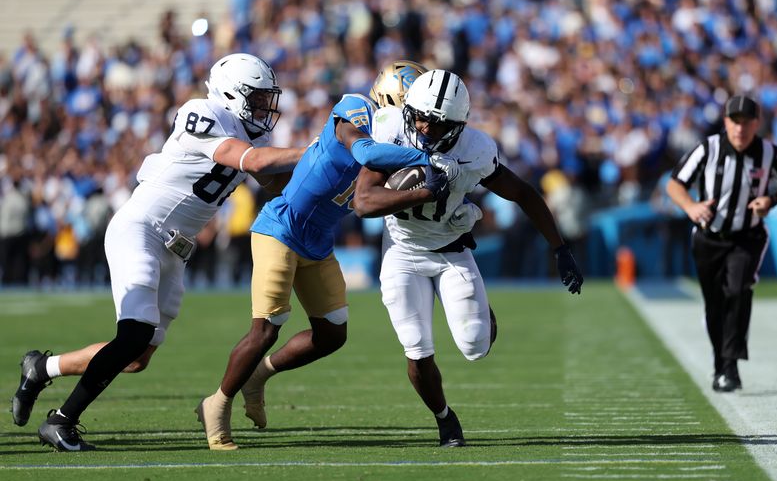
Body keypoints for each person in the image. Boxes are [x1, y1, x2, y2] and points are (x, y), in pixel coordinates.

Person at [14, 53, 307, 451]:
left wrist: (332, 169)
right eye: (255, 98)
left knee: (136, 356)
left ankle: (41, 368)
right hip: (142, 228)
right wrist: (317, 149)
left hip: (175, 250)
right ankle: (63, 421)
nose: (262, 108)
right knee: (133, 333)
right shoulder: (200, 111)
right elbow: (249, 159)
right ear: (230, 94)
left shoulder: (255, 136)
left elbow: (271, 180)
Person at [196, 63, 461, 450]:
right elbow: (365, 150)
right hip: (281, 228)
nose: (419, 122)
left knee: (333, 333)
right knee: (267, 328)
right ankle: (216, 406)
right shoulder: (355, 108)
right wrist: (424, 164)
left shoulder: (403, 143)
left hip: (318, 240)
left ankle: (259, 376)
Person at [353, 69, 584, 447]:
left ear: (458, 126)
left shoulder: (474, 149)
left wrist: (560, 248)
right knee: (416, 345)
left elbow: (523, 192)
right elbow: (363, 203)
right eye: (420, 115)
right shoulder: (390, 129)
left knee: (475, 346)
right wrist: (425, 194)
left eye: (436, 121)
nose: (424, 126)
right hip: (403, 253)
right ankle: (445, 420)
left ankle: (482, 311)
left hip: (451, 252)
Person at [667, 95, 777, 392]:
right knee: (715, 304)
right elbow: (675, 184)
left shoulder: (769, 153)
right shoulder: (707, 149)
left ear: (757, 123)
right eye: (734, 121)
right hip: (709, 237)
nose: (740, 128)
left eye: (746, 122)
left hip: (747, 236)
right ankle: (721, 365)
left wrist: (772, 199)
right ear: (726, 122)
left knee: (737, 292)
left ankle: (730, 366)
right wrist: (690, 207)